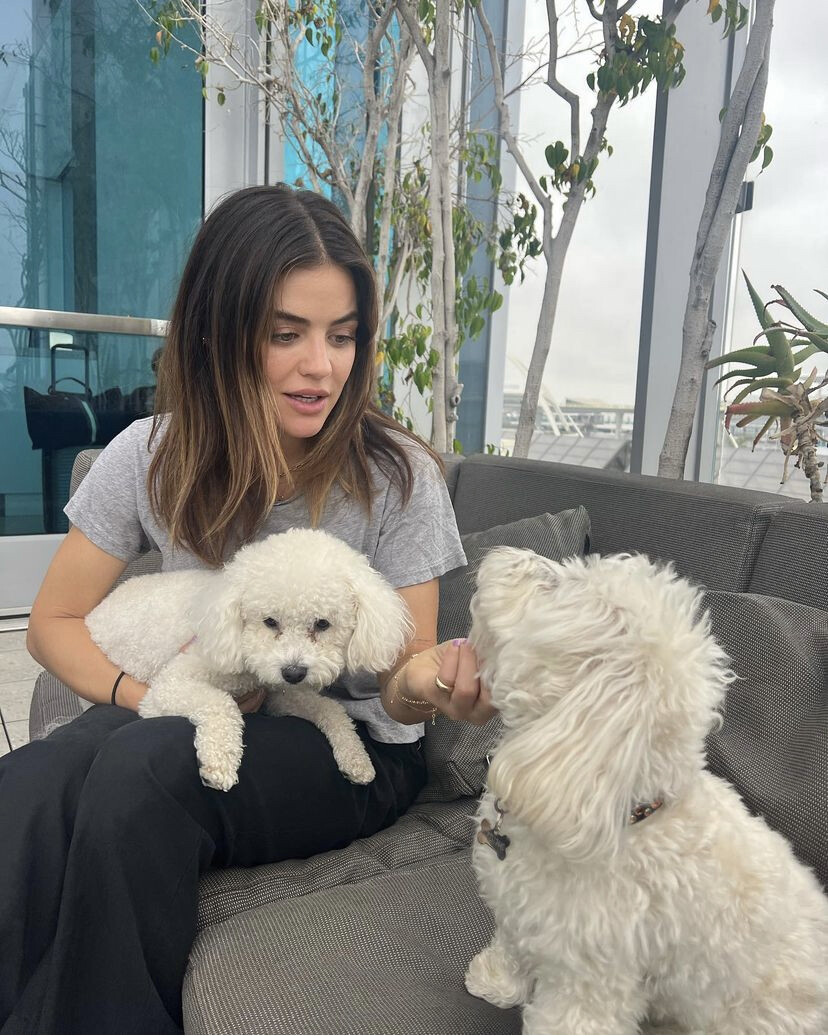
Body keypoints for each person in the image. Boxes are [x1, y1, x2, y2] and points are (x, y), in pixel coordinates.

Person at [0, 185, 494, 1034]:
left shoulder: (398, 476)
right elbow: (53, 625)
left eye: (342, 336)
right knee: (35, 782)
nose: (322, 367)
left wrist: (430, 685)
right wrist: (142, 695)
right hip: (194, 702)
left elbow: (401, 676)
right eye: (285, 334)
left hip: (351, 749)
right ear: (217, 334)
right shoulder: (151, 453)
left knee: (142, 773)